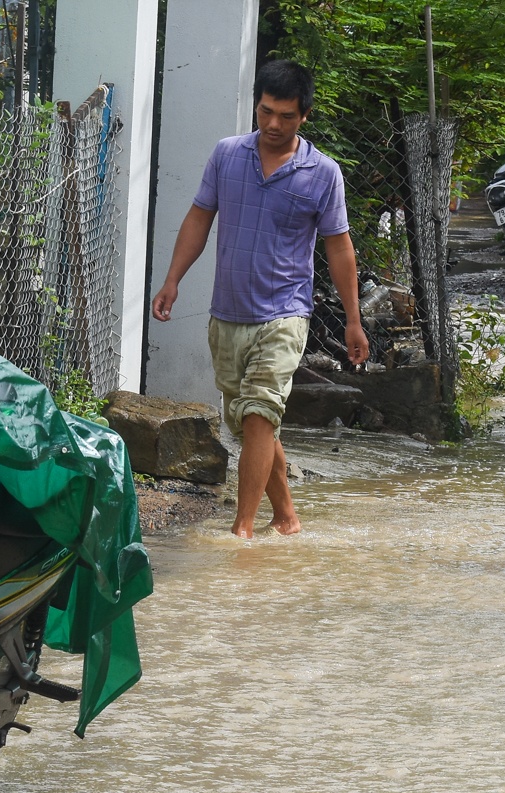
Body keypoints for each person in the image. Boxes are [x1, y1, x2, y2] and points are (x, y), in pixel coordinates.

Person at [151, 59, 369, 539]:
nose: (273, 123)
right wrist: (172, 280)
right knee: (254, 426)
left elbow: (339, 248)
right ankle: (286, 517)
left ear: (304, 116)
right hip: (227, 314)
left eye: (286, 116)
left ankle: (242, 531)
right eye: (266, 111)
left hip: (285, 314)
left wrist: (354, 320)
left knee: (258, 414)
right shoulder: (227, 155)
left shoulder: (323, 173)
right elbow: (199, 218)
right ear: (257, 106)